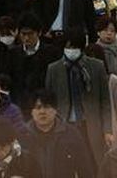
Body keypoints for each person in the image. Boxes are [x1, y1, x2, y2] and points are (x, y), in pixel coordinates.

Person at [43, 27, 112, 163]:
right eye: (68, 47)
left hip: (90, 124)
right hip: (64, 124)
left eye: (74, 47)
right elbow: (49, 101)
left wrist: (107, 129)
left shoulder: (97, 66)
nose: (71, 50)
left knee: (93, 163)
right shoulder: (53, 69)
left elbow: (105, 102)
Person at [24, 89, 95, 178]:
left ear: (55, 110)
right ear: (32, 112)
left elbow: (85, 170)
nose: (42, 112)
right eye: (38, 107)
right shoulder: (22, 136)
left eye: (47, 107)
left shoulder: (72, 134)